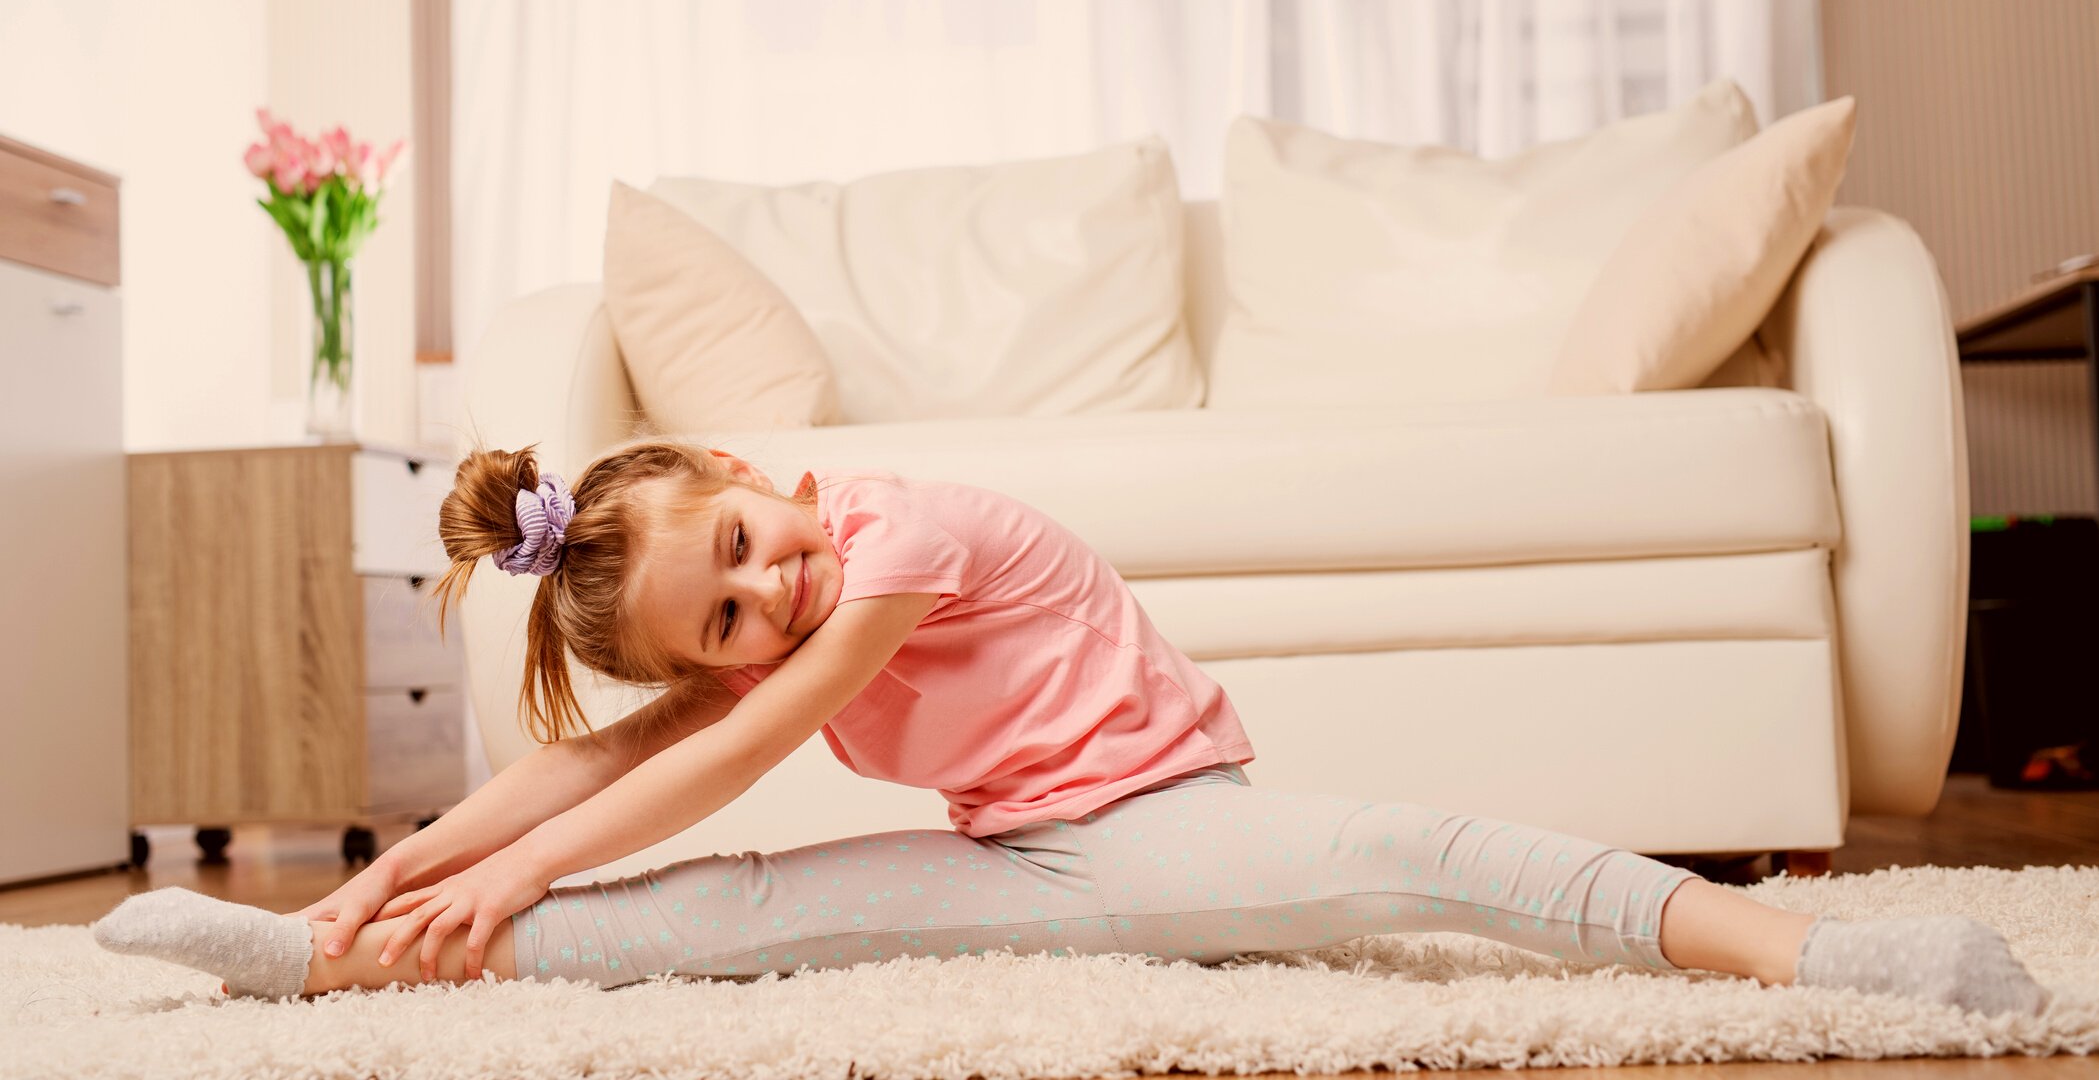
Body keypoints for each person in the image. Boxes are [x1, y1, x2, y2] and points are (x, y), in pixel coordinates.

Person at [90, 439, 2050, 1016]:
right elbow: (615, 762)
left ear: (759, 480)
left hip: (1170, 814)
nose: (766, 602)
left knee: (1447, 870)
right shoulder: (752, 635)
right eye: (727, 619)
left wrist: (521, 844)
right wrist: (434, 859)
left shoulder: (903, 536)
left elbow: (735, 750)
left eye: (753, 552)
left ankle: (1817, 951)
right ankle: (320, 963)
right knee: (716, 922)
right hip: (1013, 854)